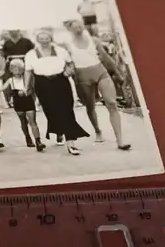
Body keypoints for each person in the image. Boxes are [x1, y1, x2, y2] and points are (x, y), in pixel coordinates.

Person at [64, 21, 131, 150]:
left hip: (100, 72)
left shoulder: (93, 40)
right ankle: (97, 130)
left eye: (80, 26)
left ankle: (120, 141)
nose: (79, 29)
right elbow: (67, 62)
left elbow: (105, 57)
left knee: (111, 103)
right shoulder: (68, 45)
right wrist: (68, 72)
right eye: (75, 27)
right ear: (70, 30)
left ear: (84, 26)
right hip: (83, 77)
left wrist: (118, 73)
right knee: (90, 107)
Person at [24, 29, 89, 155]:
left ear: (51, 38)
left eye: (46, 38)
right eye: (41, 39)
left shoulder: (60, 51)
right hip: (42, 84)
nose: (44, 41)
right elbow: (28, 71)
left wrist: (69, 71)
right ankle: (60, 131)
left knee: (66, 110)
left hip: (60, 81)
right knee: (51, 111)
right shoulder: (31, 54)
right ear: (37, 40)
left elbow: (70, 64)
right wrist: (26, 87)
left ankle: (70, 142)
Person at [2, 59, 45, 151]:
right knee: (23, 121)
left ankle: (38, 141)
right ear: (11, 70)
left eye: (19, 68)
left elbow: (32, 89)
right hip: (18, 102)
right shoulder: (10, 80)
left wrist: (29, 94)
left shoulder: (27, 78)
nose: (17, 71)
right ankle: (27, 137)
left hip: (28, 100)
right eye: (14, 68)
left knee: (32, 121)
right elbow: (2, 88)